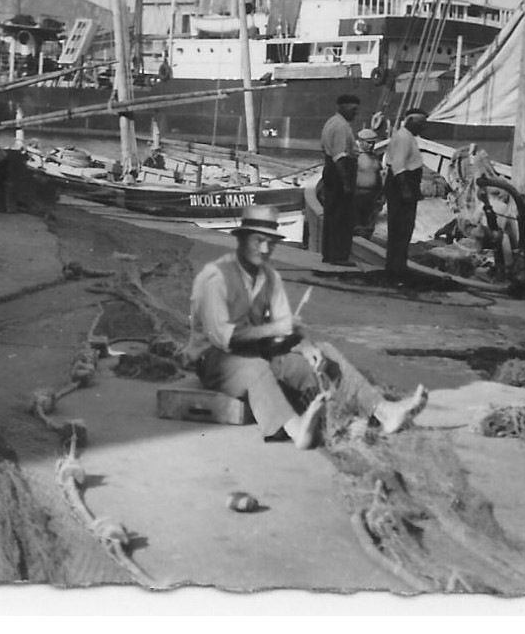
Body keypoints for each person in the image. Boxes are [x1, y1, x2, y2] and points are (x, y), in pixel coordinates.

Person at [183, 205, 429, 448]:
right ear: (242, 240)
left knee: (325, 353)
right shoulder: (216, 278)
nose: (265, 249)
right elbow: (226, 338)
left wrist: (305, 345)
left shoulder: (269, 278)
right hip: (216, 360)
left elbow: (285, 329)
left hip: (256, 350)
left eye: (271, 242)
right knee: (255, 368)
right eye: (259, 241)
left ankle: (384, 411)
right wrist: (276, 331)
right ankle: (296, 429)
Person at [382, 108, 428, 283]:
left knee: (403, 228)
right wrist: (406, 191)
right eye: (421, 123)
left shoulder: (407, 136)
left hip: (405, 185)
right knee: (401, 228)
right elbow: (398, 167)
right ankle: (396, 268)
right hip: (402, 186)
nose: (423, 127)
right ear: (409, 120)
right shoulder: (403, 138)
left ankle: (397, 265)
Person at [318, 93, 360, 265]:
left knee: (331, 215)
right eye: (353, 109)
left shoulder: (331, 122)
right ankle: (338, 256)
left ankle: (329, 254)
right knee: (341, 217)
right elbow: (340, 157)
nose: (355, 113)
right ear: (342, 106)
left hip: (330, 171)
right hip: (339, 174)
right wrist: (347, 183)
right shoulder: (341, 126)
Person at [352, 128, 383, 236]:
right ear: (360, 141)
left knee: (368, 226)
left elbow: (378, 175)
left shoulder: (374, 156)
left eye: (373, 143)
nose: (371, 145)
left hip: (372, 197)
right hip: (356, 196)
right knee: (356, 226)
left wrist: (381, 195)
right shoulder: (354, 156)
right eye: (368, 143)